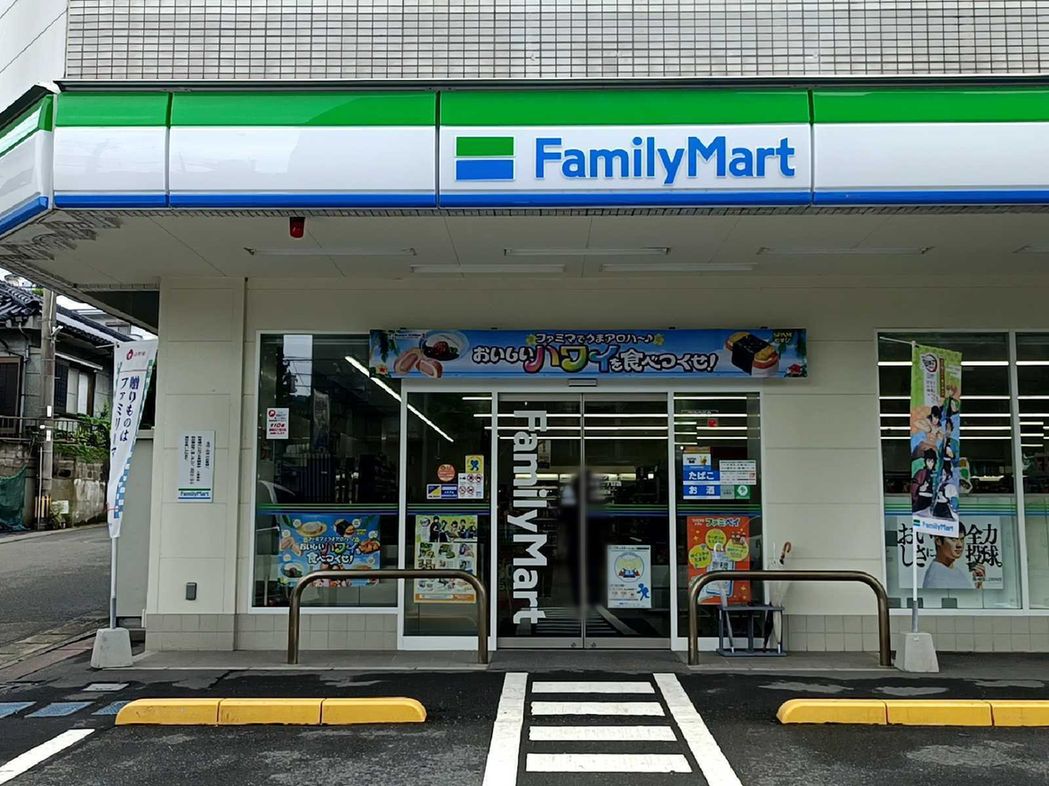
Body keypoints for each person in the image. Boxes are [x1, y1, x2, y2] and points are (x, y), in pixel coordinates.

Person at [911, 449, 937, 514]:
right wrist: (920, 488)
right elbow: (914, 485)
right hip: (921, 498)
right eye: (929, 461)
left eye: (932, 461)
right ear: (925, 461)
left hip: (932, 500)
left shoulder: (936, 474)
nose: (930, 463)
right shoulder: (921, 472)